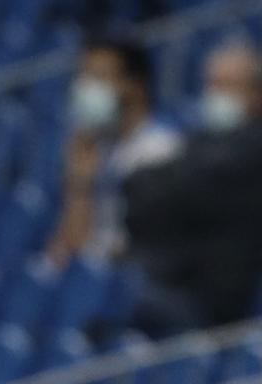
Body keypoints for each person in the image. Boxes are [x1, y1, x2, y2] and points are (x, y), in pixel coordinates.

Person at [122, 39, 262, 334]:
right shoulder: (203, 139)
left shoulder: (252, 147)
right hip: (173, 281)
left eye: (228, 86)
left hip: (212, 301)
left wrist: (168, 189)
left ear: (256, 93)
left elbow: (183, 191)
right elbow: (139, 185)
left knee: (120, 302)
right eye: (212, 84)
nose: (216, 95)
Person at [47, 36, 182, 264]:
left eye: (98, 77)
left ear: (135, 86)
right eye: (84, 76)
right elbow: (64, 250)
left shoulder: (161, 151)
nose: (86, 88)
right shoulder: (96, 146)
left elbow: (144, 246)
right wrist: (79, 183)